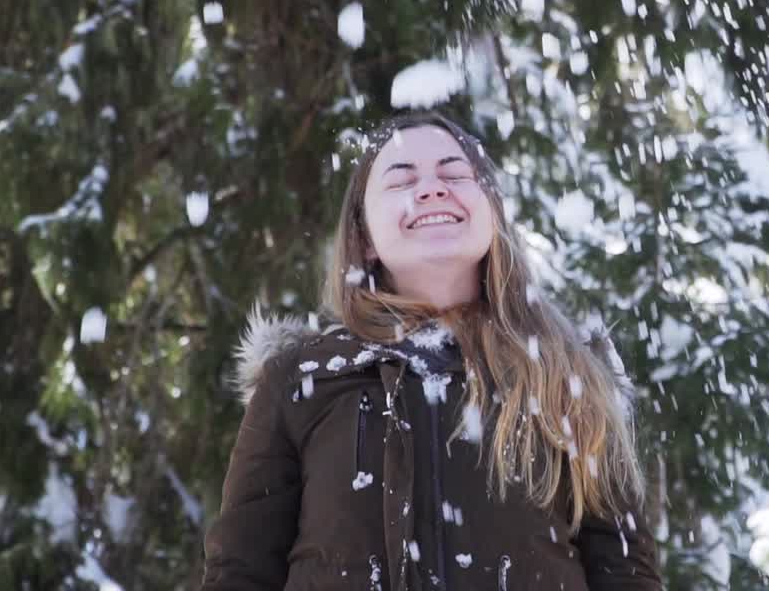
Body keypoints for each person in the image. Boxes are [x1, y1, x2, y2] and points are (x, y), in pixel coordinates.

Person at [200, 111, 663, 590]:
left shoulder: (567, 373)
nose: (431, 189)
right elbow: (239, 571)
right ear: (364, 238)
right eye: (401, 180)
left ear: (492, 213)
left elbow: (626, 570)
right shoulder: (299, 379)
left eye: (455, 173)